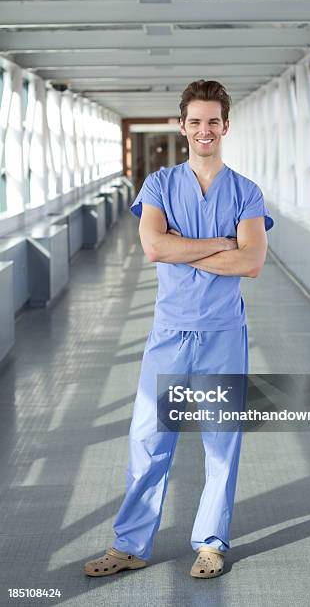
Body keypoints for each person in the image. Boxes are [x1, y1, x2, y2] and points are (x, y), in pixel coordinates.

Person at [83, 79, 274, 580]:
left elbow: (252, 261)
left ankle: (210, 543)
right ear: (183, 125)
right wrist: (219, 244)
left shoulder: (246, 191)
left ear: (225, 126)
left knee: (220, 441)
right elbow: (154, 249)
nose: (204, 129)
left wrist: (183, 243)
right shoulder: (159, 186)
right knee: (149, 439)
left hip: (222, 336)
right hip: (169, 334)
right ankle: (131, 544)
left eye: (214, 121)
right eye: (196, 121)